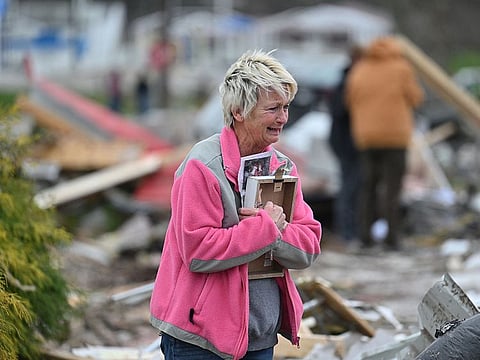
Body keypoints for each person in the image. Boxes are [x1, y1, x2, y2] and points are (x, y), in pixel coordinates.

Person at [149, 49, 322, 360]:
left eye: (285, 107)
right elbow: (199, 251)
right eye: (272, 109)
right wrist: (265, 228)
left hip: (259, 337)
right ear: (239, 111)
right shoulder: (202, 167)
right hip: (199, 340)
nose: (283, 118)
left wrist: (273, 232)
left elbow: (308, 245)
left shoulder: (282, 168)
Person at [345, 36, 424, 251]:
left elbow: (349, 100)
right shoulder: (401, 67)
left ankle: (364, 238)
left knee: (368, 187)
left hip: (367, 137)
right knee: (392, 188)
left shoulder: (360, 69)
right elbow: (416, 97)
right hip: (395, 137)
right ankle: (391, 239)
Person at [327, 45, 363, 243]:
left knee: (352, 186)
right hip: (346, 141)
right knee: (350, 187)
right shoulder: (347, 82)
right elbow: (340, 110)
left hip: (346, 140)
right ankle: (348, 232)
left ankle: (350, 231)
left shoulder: (345, 79)